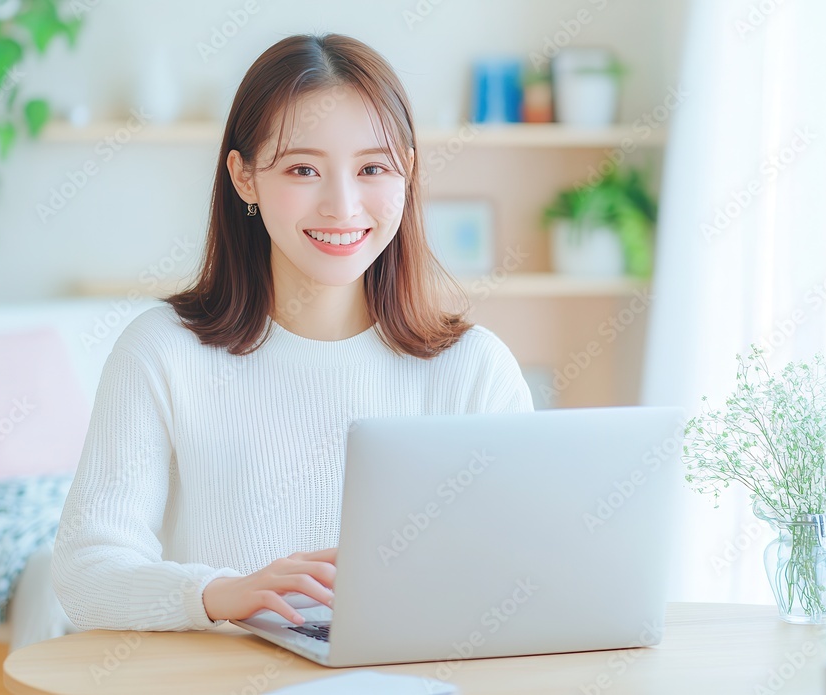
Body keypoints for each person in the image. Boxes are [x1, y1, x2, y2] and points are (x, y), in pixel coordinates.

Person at [50, 32, 534, 633]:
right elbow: (86, 571)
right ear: (244, 177)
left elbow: (524, 573)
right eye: (303, 168)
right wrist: (217, 595)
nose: (342, 205)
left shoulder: (475, 368)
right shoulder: (161, 351)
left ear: (406, 174)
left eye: (373, 168)